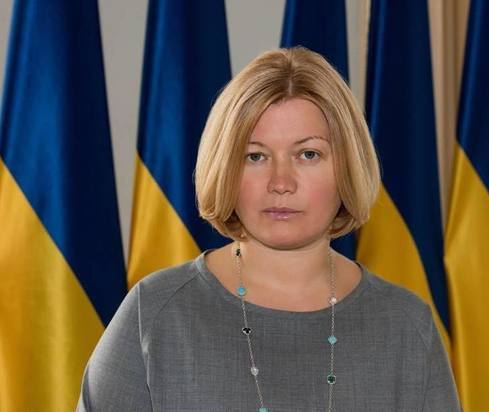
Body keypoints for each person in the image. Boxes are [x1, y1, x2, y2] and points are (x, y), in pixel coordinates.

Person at [77, 47, 461, 411]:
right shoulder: (155, 313)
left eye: (308, 154)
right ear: (226, 168)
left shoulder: (406, 326)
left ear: (347, 167)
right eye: (255, 156)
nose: (281, 182)